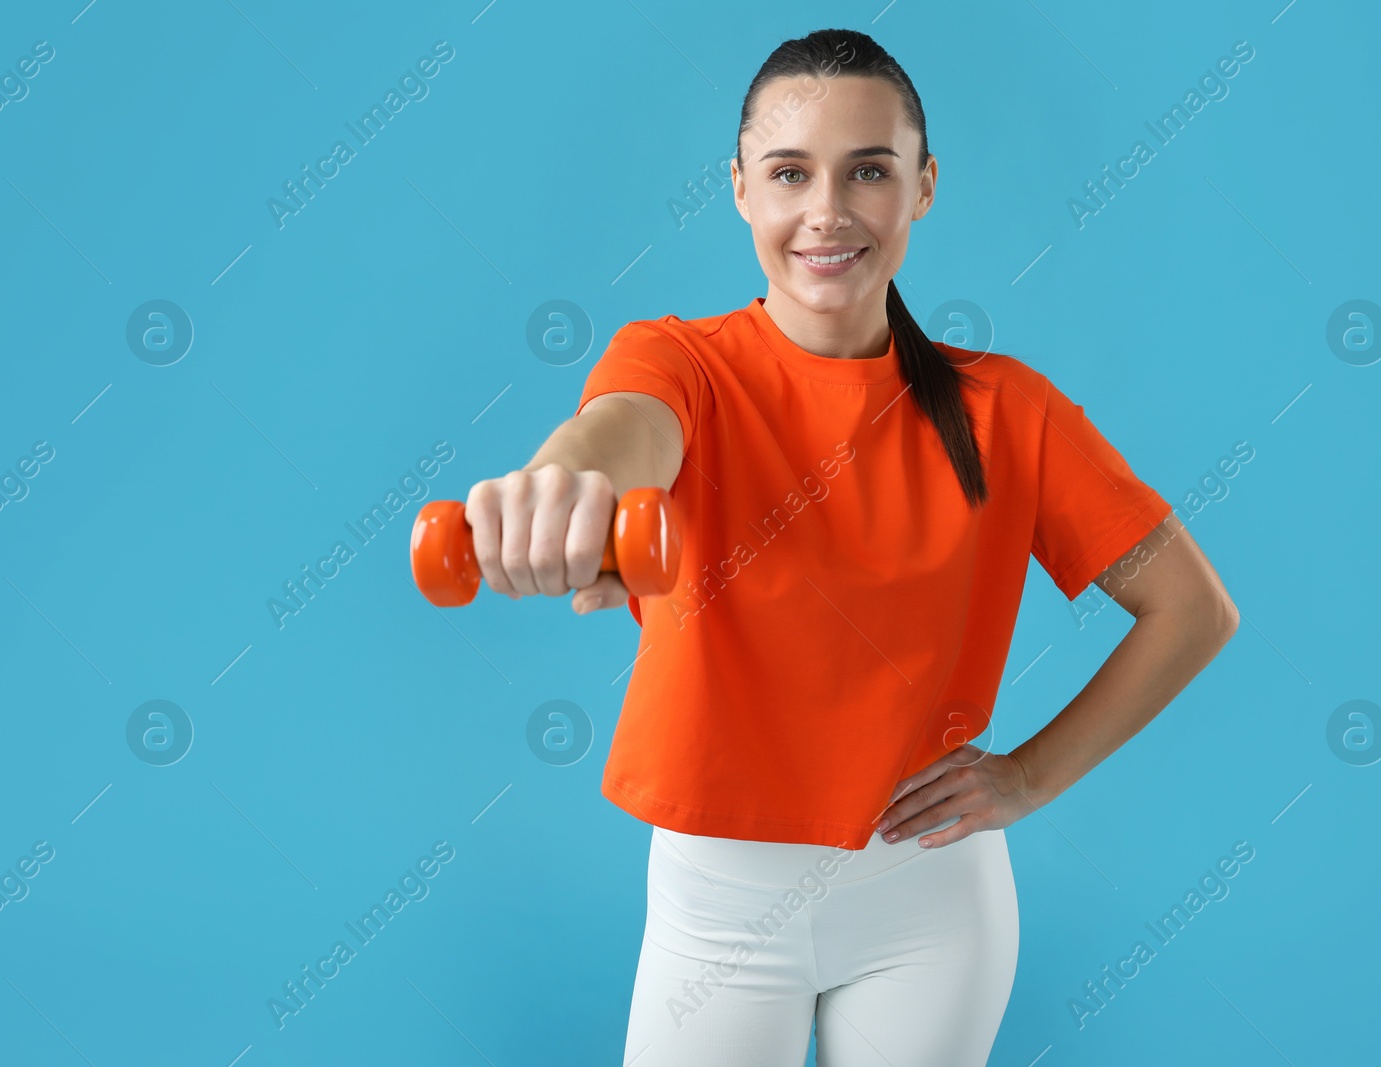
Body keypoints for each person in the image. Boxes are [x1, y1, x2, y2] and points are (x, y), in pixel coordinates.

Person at [463, 27, 1238, 1067]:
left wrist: (1026, 778)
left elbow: (1192, 610)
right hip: (718, 897)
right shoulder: (680, 361)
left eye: (867, 170)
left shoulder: (1007, 409)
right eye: (789, 173)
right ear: (740, 188)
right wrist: (562, 482)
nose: (825, 212)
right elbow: (619, 432)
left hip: (929, 894)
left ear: (921, 186)